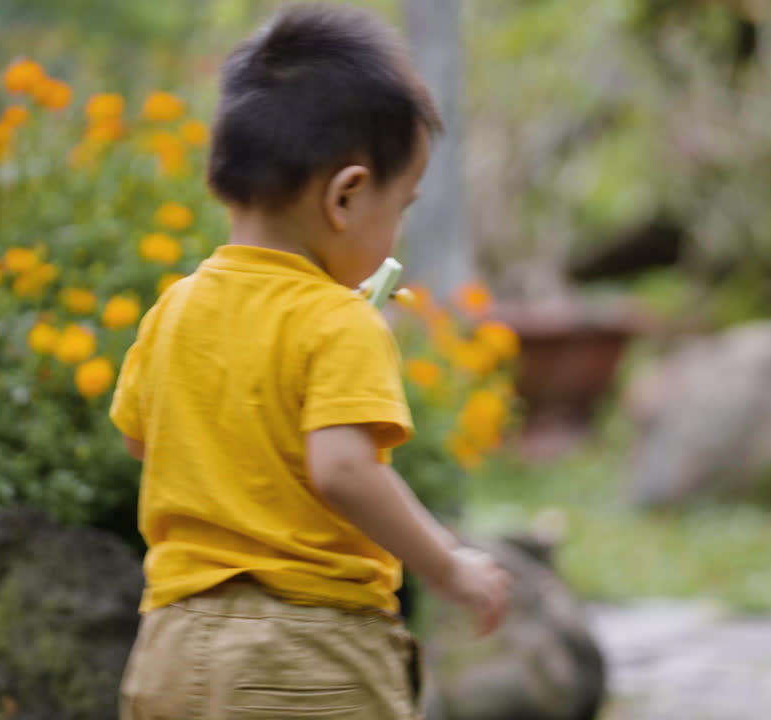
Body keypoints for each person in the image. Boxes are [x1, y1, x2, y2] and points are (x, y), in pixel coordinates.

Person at [110, 4, 511, 718]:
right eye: (402, 206)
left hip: (171, 647)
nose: (397, 233)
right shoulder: (336, 322)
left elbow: (143, 439)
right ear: (347, 195)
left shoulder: (173, 311)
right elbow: (343, 469)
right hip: (306, 655)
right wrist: (447, 565)